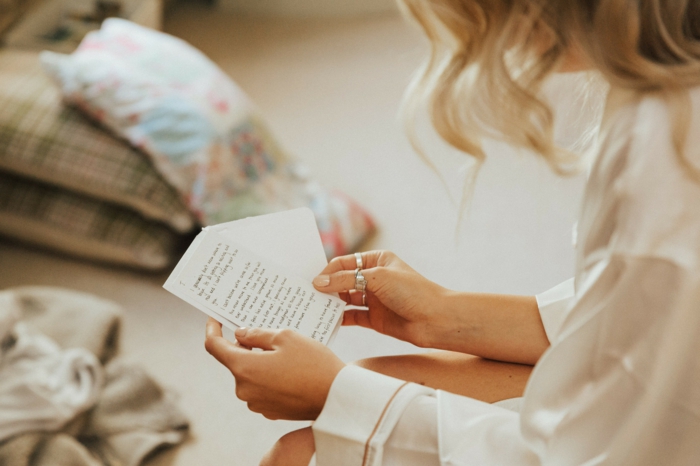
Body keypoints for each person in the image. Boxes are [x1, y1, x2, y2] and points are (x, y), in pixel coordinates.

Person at [204, 0, 700, 464]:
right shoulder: (665, 101)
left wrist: (340, 398)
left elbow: (593, 453)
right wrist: (445, 314)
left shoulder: (663, 164)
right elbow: (635, 320)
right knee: (378, 378)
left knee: (307, 449)